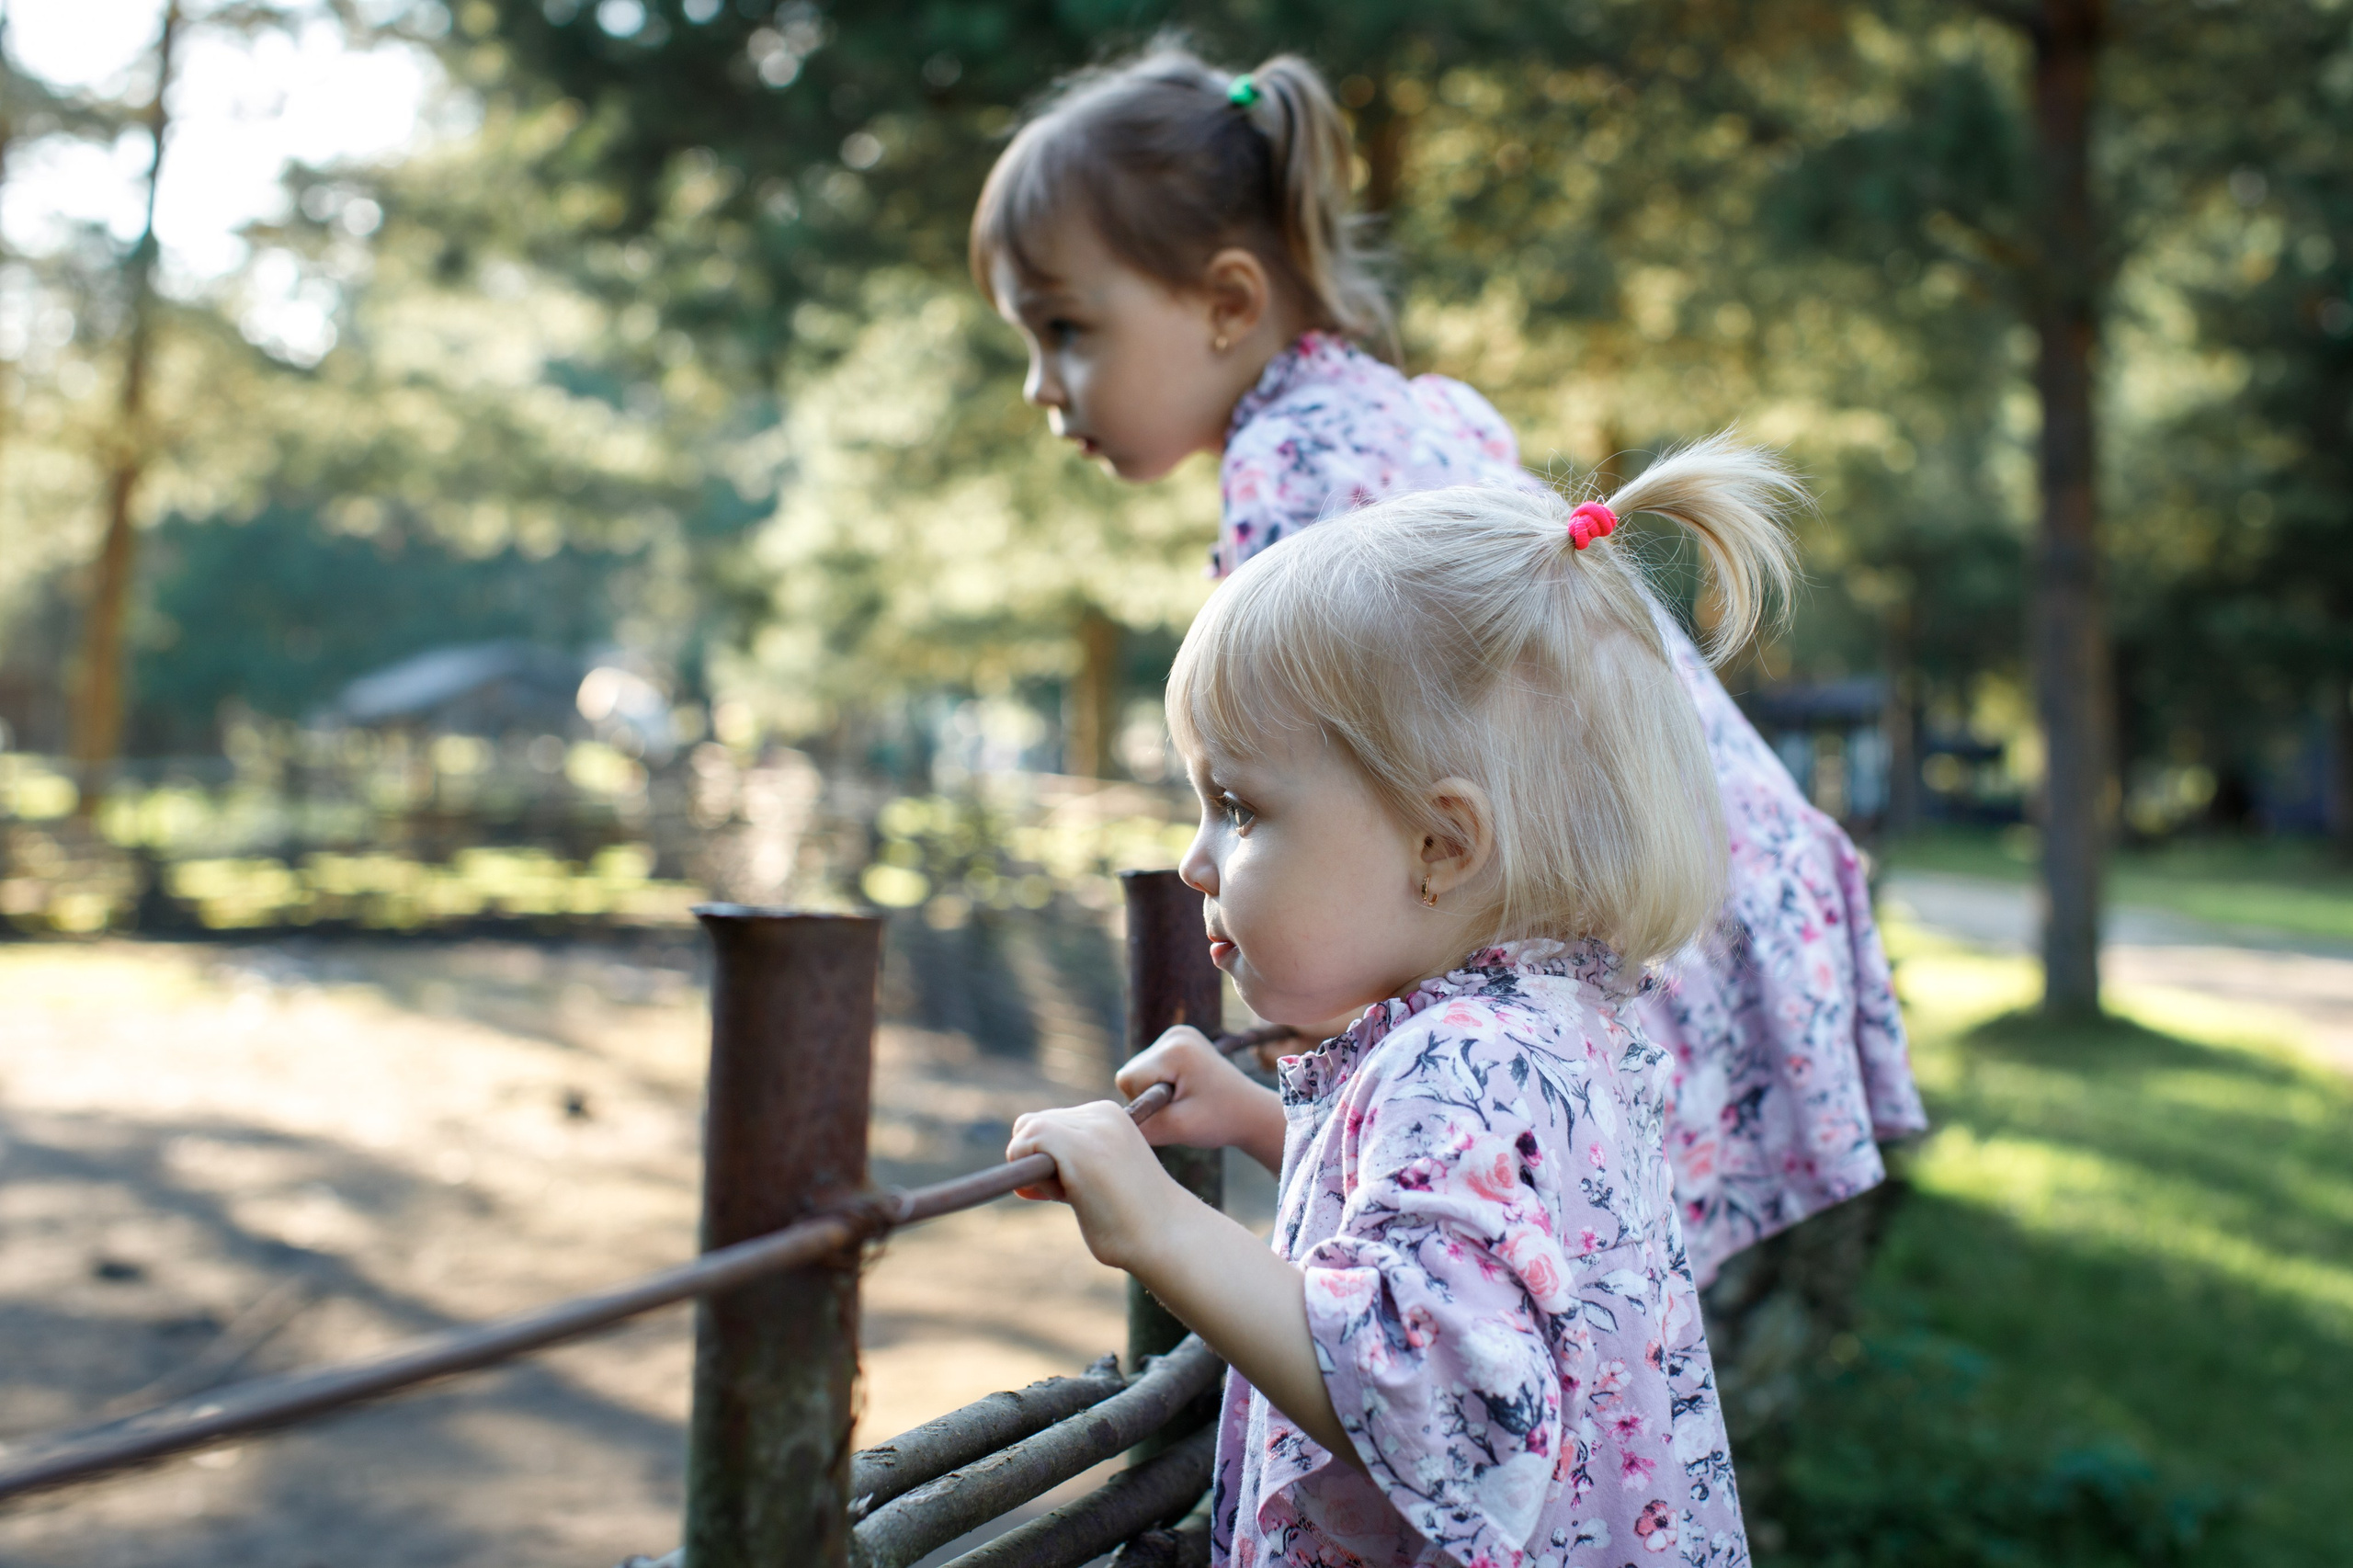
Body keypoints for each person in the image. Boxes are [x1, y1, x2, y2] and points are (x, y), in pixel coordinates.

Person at [971, 46, 1924, 1287]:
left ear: (1226, 302)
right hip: (1694, 883)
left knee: (1503, 1301)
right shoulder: (1394, 411)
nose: (1042, 388)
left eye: (1066, 329)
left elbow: (1322, 779)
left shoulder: (1298, 470)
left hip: (1641, 929)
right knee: (1569, 1290)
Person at [1006, 445, 1790, 1565]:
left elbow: (1435, 1403)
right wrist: (1258, 1120)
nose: (1194, 860)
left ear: (1440, 843)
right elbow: (1458, 1233)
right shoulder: (1550, 1026)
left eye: (1238, 806)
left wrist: (1158, 1223)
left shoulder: (1456, 1060)